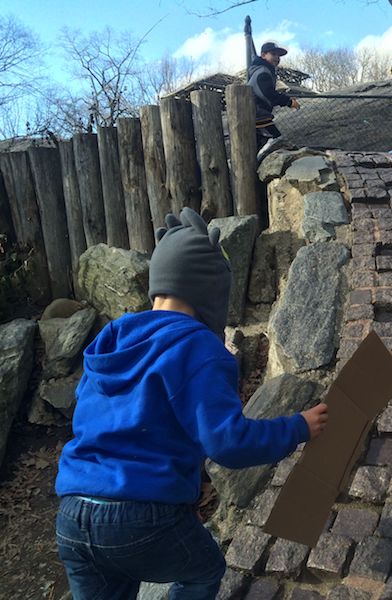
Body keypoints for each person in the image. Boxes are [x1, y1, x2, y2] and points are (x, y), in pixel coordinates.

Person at [54, 207, 328, 599]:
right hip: (139, 515)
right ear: (212, 295)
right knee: (203, 571)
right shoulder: (199, 347)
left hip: (73, 515)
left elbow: (85, 416)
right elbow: (227, 443)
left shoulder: (113, 339)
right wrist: (298, 427)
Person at [248, 41, 300, 162]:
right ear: (263, 55)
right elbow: (268, 94)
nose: (277, 58)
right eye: (273, 54)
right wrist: (288, 101)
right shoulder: (263, 72)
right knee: (276, 139)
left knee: (257, 144)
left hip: (256, 114)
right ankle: (262, 158)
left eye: (278, 55)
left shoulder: (262, 70)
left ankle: (257, 163)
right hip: (258, 115)